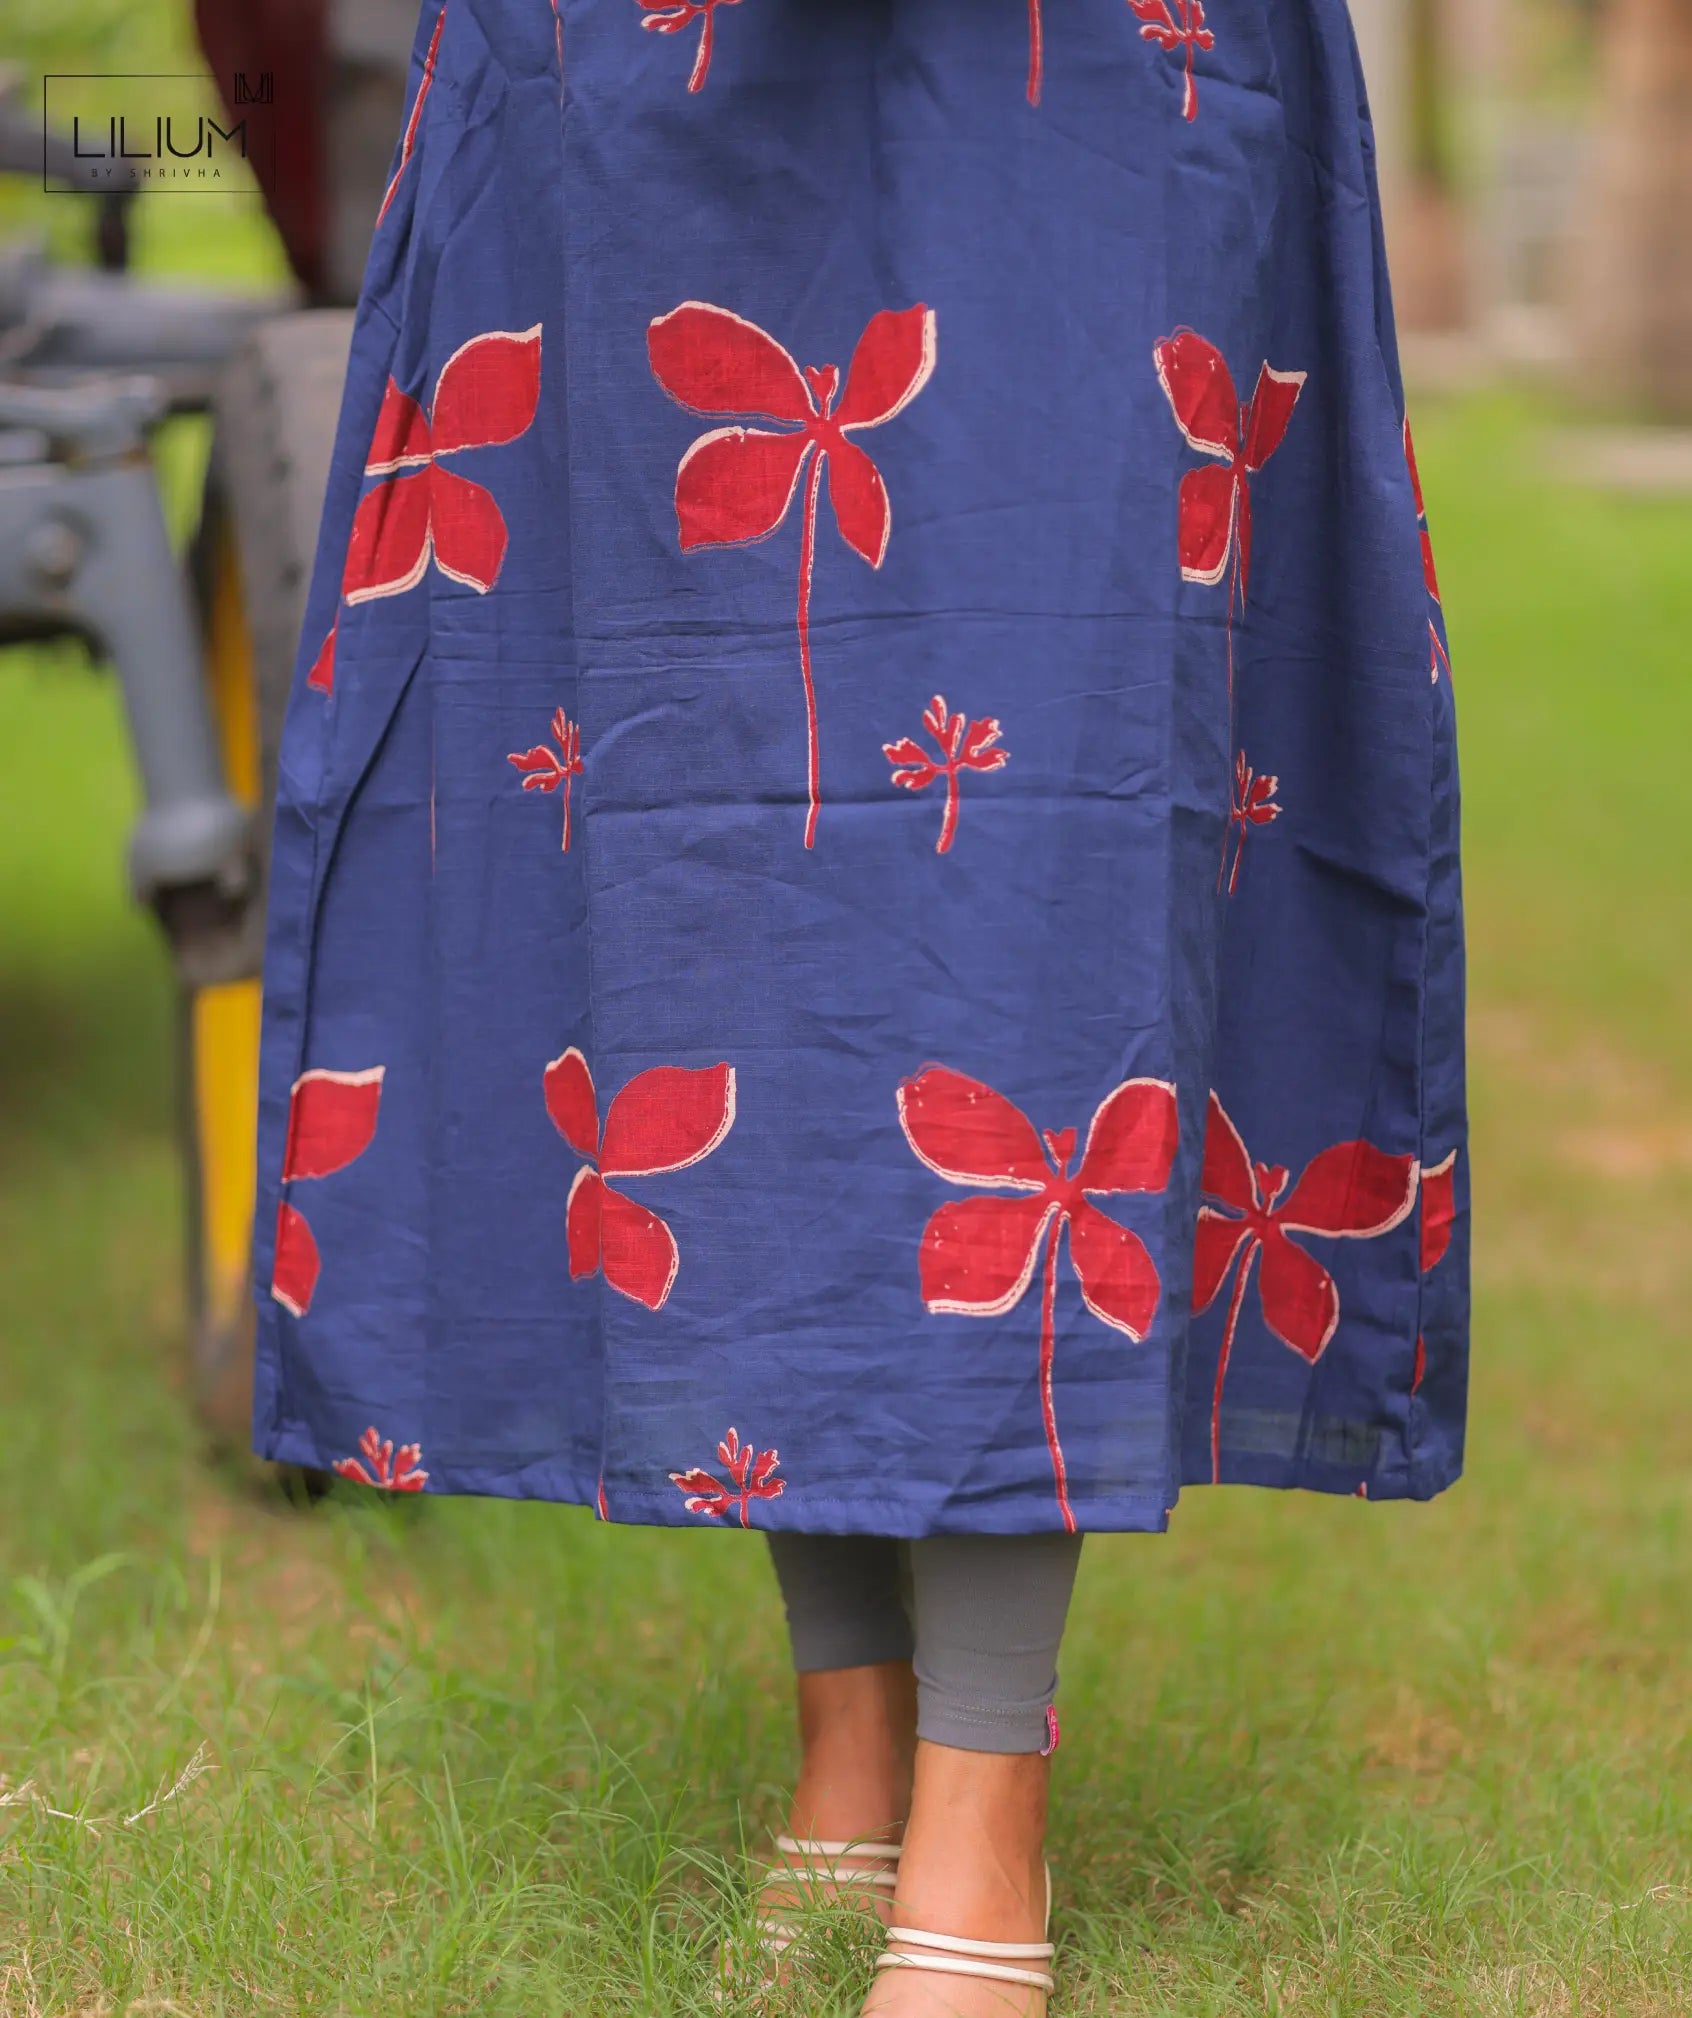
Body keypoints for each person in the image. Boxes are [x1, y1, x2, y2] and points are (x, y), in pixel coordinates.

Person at [252, 2, 1469, 2008]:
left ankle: (990, 1784)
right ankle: (850, 1724)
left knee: (1041, 874)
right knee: (714, 871)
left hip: (1073, 62)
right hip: (659, 57)